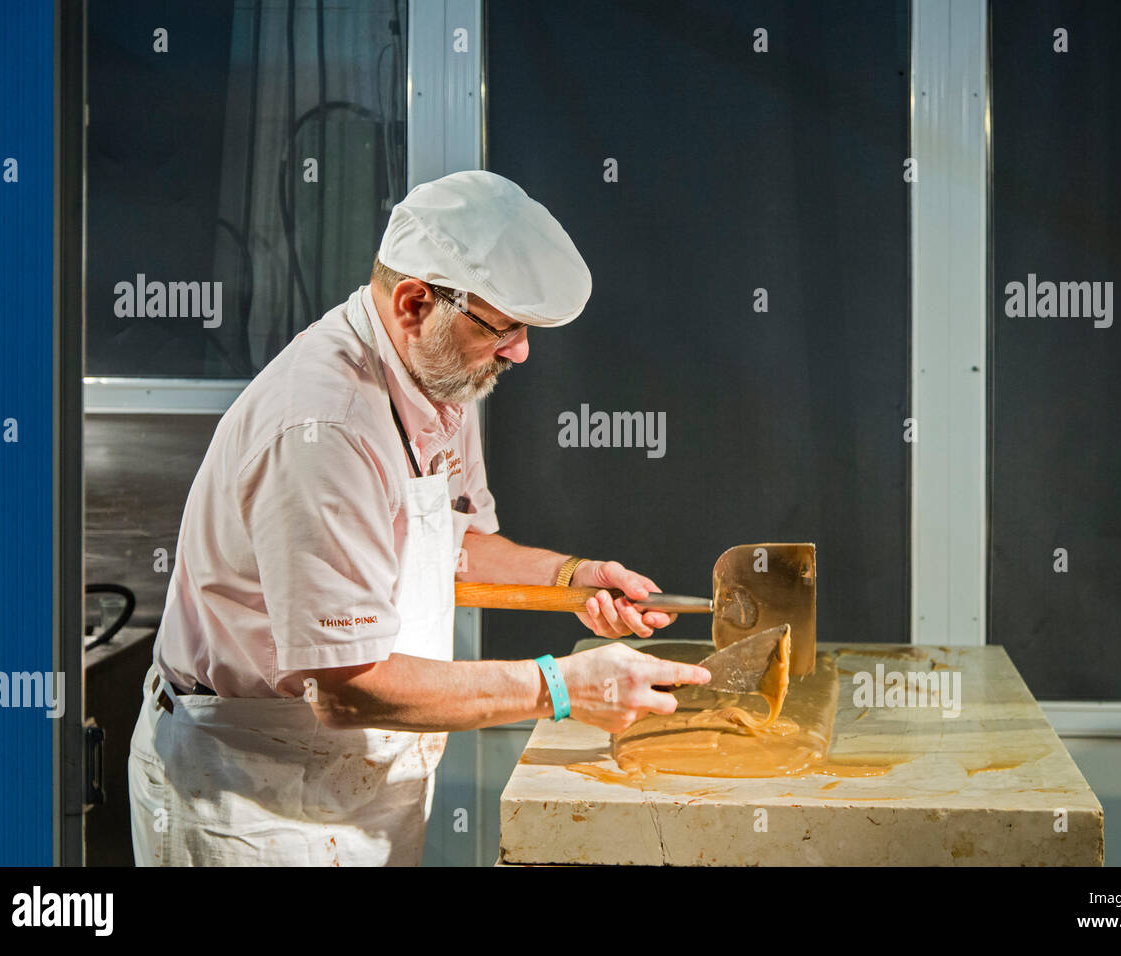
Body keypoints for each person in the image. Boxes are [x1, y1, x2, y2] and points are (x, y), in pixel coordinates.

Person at [127, 170, 710, 866]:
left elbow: (450, 547)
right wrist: (561, 686)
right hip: (254, 793)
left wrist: (571, 579)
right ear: (414, 302)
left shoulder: (436, 379)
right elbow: (347, 687)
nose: (521, 350)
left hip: (366, 776)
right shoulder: (324, 428)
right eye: (505, 326)